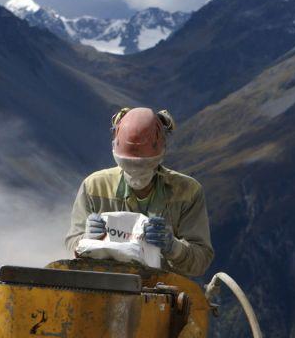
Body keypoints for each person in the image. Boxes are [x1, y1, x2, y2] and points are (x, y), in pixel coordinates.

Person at [65, 107, 214, 277]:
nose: (135, 171)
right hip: (105, 285)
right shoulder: (94, 187)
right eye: (128, 164)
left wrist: (174, 248)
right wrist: (85, 239)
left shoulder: (187, 192)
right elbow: (72, 243)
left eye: (144, 164)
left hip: (165, 292)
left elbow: (201, 261)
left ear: (161, 154)